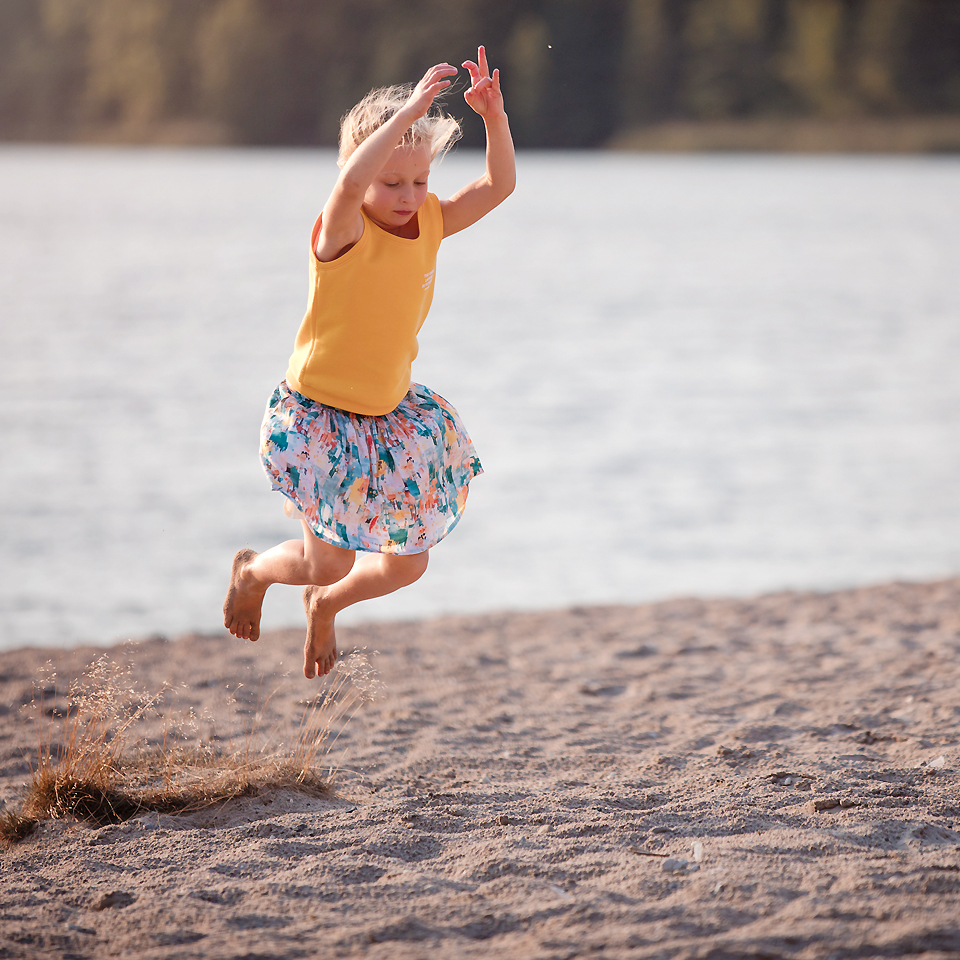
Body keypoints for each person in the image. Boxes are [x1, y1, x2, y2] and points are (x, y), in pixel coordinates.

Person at [223, 47, 516, 679]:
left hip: (389, 419)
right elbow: (351, 185)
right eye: (392, 181)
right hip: (320, 417)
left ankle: (326, 605)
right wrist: (409, 111)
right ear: (362, 172)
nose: (409, 195)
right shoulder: (343, 229)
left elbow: (499, 186)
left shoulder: (431, 221)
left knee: (408, 564)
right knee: (326, 559)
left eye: (419, 181)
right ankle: (253, 572)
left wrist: (493, 119)